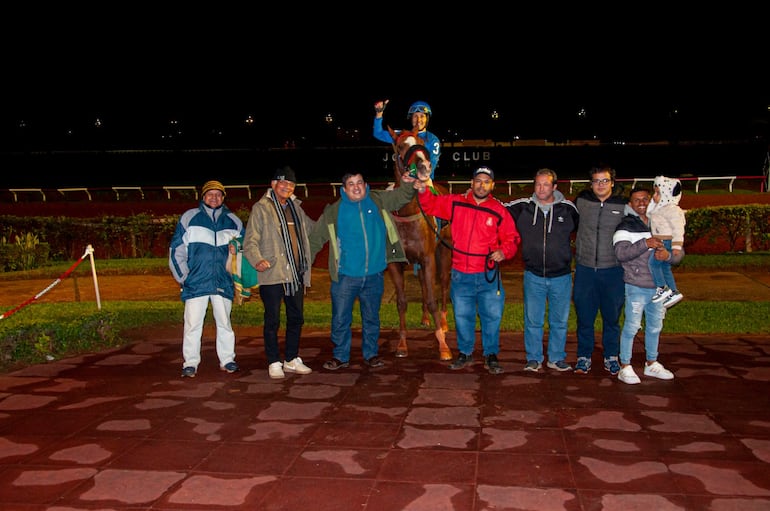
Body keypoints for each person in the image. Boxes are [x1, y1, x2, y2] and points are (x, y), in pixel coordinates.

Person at [413, 165, 521, 375]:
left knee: (491, 317)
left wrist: (504, 251)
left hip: (488, 276)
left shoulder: (498, 210)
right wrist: (422, 190)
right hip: (461, 274)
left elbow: (512, 238)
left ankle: (491, 354)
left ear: (492, 185)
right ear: (472, 183)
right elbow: (431, 205)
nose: (482, 185)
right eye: (478, 181)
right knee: (463, 316)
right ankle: (465, 353)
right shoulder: (456, 202)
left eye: (486, 181)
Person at [309, 169, 418, 370]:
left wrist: (409, 183)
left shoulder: (378, 200)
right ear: (344, 189)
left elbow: (402, 196)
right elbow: (315, 240)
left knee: (371, 318)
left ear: (365, 185)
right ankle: (341, 356)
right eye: (351, 184)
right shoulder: (333, 211)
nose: (356, 187)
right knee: (341, 319)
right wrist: (304, 266)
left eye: (360, 182)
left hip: (374, 275)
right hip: (345, 277)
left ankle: (371, 355)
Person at [242, 166, 316, 379]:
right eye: (283, 183)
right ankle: (274, 361)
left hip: (295, 274)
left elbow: (311, 229)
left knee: (296, 318)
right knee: (272, 320)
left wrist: (334, 216)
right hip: (273, 273)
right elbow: (250, 241)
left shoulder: (295, 207)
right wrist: (257, 260)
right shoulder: (261, 208)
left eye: (291, 185)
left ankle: (291, 359)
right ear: (273, 184)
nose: (286, 188)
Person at [504, 168, 579, 372]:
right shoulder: (522, 207)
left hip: (561, 276)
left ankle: (556, 358)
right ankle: (534, 358)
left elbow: (584, 230)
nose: (541, 188)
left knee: (559, 321)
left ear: (554, 187)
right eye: (537, 184)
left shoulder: (569, 209)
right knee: (533, 321)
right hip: (533, 275)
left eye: (546, 184)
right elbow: (495, 207)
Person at [169, 180, 244, 378]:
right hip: (196, 282)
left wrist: (237, 266)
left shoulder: (233, 221)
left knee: (225, 323)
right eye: (210, 194)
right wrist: (184, 278)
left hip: (222, 281)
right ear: (203, 197)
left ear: (223, 198)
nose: (214, 197)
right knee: (193, 324)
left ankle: (227, 359)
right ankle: (191, 362)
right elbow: (176, 251)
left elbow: (244, 251)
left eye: (218, 194)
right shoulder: (189, 218)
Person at [613, 186, 682, 384]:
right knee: (632, 326)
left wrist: (669, 256)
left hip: (660, 289)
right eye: (637, 200)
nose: (641, 203)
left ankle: (651, 363)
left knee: (654, 327)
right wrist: (646, 243)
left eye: (645, 199)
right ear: (630, 204)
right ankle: (625, 365)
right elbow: (621, 254)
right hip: (636, 286)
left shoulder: (661, 221)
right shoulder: (625, 226)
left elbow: (678, 252)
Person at [572, 166, 627, 375]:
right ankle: (584, 356)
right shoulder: (582, 202)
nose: (600, 185)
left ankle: (611, 356)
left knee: (611, 318)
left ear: (612, 182)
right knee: (585, 317)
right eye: (596, 181)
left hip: (612, 271)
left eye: (604, 181)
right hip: (585, 270)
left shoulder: (623, 205)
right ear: (591, 183)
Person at [373, 99, 441, 179]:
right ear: (411, 118)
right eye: (415, 116)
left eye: (422, 116)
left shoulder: (433, 139)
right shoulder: (402, 137)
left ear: (427, 119)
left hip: (424, 180)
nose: (419, 120)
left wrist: (417, 177)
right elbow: (378, 133)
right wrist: (379, 113)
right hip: (405, 181)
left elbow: (432, 164)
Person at [647, 175, 686, 308]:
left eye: (658, 193)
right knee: (665, 268)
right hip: (661, 240)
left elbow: (678, 228)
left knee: (653, 263)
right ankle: (673, 291)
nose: (654, 196)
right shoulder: (660, 209)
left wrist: (677, 246)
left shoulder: (672, 210)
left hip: (665, 242)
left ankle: (662, 287)